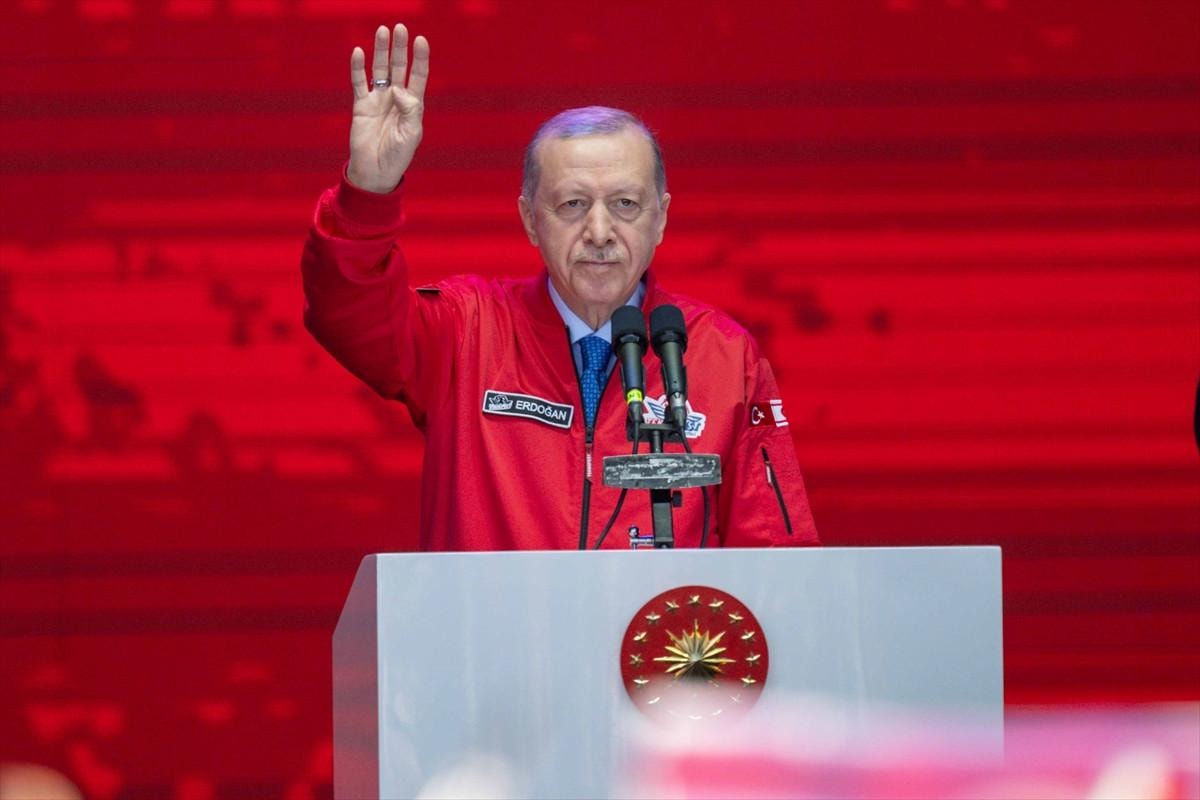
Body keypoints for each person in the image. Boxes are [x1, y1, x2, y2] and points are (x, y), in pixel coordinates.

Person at [301, 24, 819, 551]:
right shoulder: (466, 330)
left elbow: (777, 559)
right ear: (530, 219)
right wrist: (368, 190)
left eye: (625, 204)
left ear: (661, 218)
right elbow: (347, 313)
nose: (600, 232)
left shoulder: (723, 356)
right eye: (572, 205)